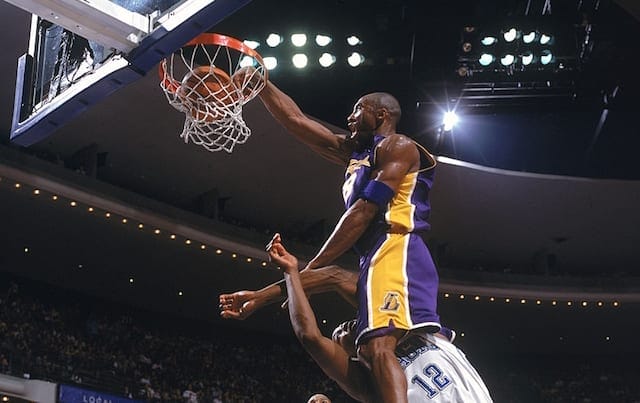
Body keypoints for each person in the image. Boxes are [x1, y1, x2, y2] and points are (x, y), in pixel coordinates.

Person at [235, 68, 441, 403]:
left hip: (397, 245)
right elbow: (296, 121)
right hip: (375, 254)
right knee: (375, 345)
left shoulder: (398, 146)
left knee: (378, 344)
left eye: (358, 109)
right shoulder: (357, 154)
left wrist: (309, 266)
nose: (350, 116)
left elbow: (363, 212)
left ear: (381, 115)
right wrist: (263, 85)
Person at [263, 234, 492, 402]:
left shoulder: (415, 327)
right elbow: (310, 336)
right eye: (339, 332)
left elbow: (344, 280)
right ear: (350, 353)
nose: (346, 325)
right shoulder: (365, 380)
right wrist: (290, 273)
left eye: (350, 322)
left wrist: (262, 296)